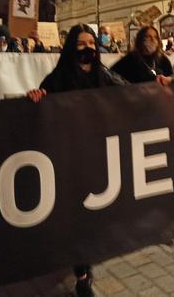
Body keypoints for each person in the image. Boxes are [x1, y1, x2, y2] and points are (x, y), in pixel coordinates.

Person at [26, 23, 126, 297]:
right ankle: (82, 273)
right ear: (72, 47)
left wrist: (158, 84)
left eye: (92, 44)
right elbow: (41, 106)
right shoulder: (57, 78)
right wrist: (36, 97)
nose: (88, 49)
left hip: (97, 153)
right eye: (81, 44)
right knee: (75, 214)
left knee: (92, 213)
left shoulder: (104, 75)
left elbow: (133, 93)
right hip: (68, 156)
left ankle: (86, 256)